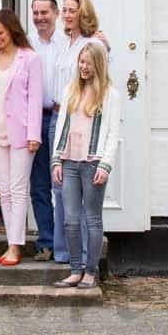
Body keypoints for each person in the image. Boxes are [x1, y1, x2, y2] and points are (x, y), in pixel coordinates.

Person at [51, 43, 121, 290]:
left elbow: (113, 133)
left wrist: (105, 164)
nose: (84, 67)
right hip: (69, 162)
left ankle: (91, 272)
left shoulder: (110, 95)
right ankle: (74, 270)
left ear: (98, 65)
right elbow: (62, 126)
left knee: (92, 219)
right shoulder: (70, 90)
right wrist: (57, 159)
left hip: (93, 165)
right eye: (81, 62)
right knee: (70, 219)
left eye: (89, 63)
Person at [0, 9, 43, 266]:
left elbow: (36, 99)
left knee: (18, 191)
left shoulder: (30, 58)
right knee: (4, 191)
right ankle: (10, 243)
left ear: (12, 30)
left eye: (0, 33)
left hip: (21, 135)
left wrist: (34, 135)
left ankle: (16, 247)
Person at [51, 0, 108, 265]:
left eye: (72, 10)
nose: (67, 14)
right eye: (65, 10)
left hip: (81, 118)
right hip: (58, 118)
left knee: (82, 195)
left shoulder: (92, 42)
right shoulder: (63, 42)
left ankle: (86, 256)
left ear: (83, 13)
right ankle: (64, 252)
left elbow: (102, 79)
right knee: (59, 189)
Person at [26, 0, 62, 261]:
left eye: (44, 12)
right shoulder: (27, 45)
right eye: (36, 13)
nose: (40, 18)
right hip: (35, 119)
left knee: (62, 184)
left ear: (56, 13)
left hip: (62, 118)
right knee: (39, 185)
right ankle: (46, 242)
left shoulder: (71, 42)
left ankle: (64, 244)